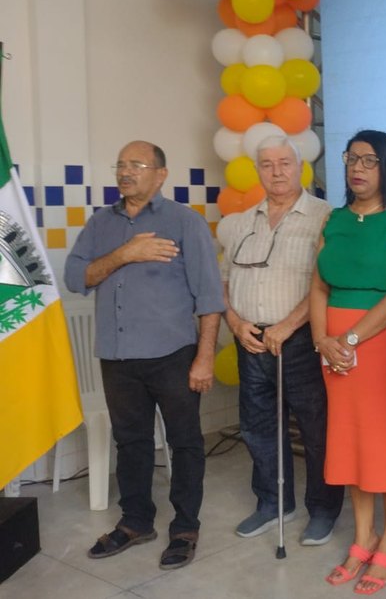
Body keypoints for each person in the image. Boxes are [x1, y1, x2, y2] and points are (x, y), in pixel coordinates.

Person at [64, 140, 223, 569]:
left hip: (173, 354)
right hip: (117, 357)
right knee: (131, 442)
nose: (126, 171)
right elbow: (76, 277)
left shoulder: (184, 222)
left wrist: (205, 357)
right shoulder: (101, 224)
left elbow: (210, 296)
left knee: (184, 442)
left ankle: (185, 527)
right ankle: (135, 522)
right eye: (121, 164)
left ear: (160, 174)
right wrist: (124, 255)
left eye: (137, 164)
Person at [216, 135, 343, 546]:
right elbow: (222, 282)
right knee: (258, 427)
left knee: (316, 429)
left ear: (300, 167)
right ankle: (273, 503)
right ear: (257, 171)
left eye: (285, 163)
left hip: (302, 339)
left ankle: (322, 510)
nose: (276, 172)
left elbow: (328, 282)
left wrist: (289, 324)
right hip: (250, 340)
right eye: (267, 164)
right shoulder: (240, 222)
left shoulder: (325, 217)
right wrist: (235, 323)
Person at [310, 130, 386, 594]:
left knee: (384, 441)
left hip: (379, 345)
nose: (357, 168)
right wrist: (322, 340)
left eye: (369, 160)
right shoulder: (333, 219)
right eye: (351, 159)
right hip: (334, 348)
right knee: (349, 439)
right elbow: (319, 285)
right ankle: (363, 537)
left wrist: (350, 338)